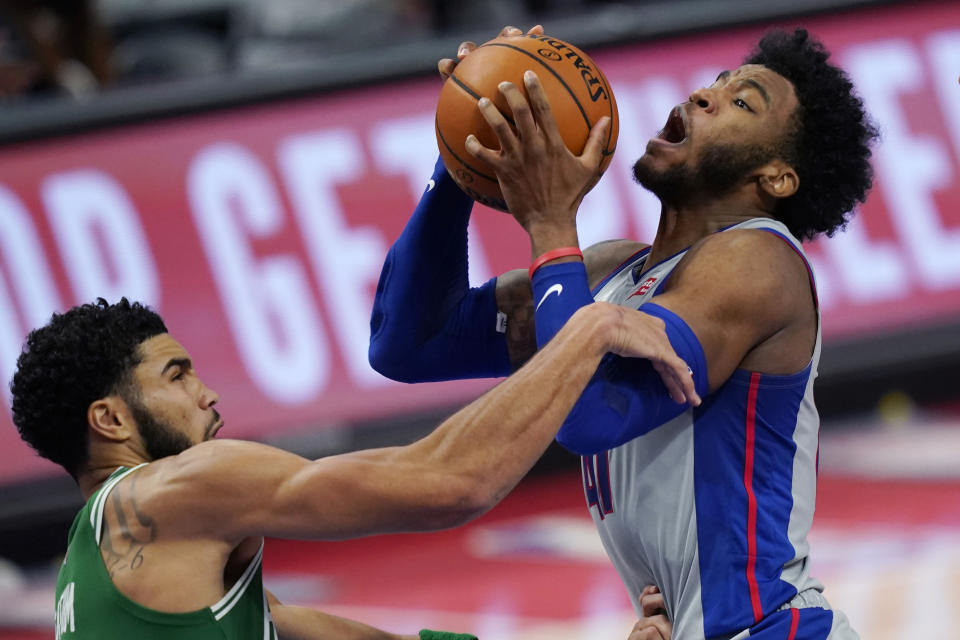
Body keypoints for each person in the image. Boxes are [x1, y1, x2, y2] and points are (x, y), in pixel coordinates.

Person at [368, 24, 879, 640]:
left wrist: (552, 222)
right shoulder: (617, 271)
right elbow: (408, 342)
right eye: (716, 83)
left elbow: (586, 415)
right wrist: (464, 156)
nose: (704, 96)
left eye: (742, 102)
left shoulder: (761, 264)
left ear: (776, 176)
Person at [9, 295, 695, 640]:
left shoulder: (92, 564)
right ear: (111, 420)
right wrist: (585, 336)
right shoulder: (175, 487)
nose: (207, 394)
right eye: (177, 375)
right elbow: (447, 483)